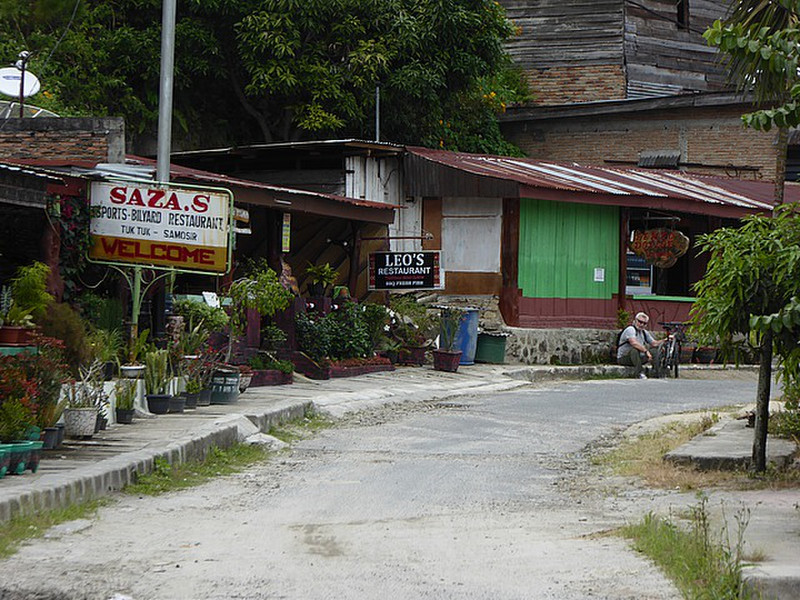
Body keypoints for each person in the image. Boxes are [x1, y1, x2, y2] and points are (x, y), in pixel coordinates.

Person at [617, 312, 664, 379]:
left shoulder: (644, 332)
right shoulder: (630, 329)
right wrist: (646, 351)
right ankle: (639, 373)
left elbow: (654, 343)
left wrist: (665, 340)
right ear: (635, 321)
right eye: (640, 322)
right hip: (624, 357)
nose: (642, 325)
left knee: (654, 351)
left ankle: (656, 372)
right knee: (634, 350)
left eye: (644, 323)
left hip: (639, 357)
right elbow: (634, 343)